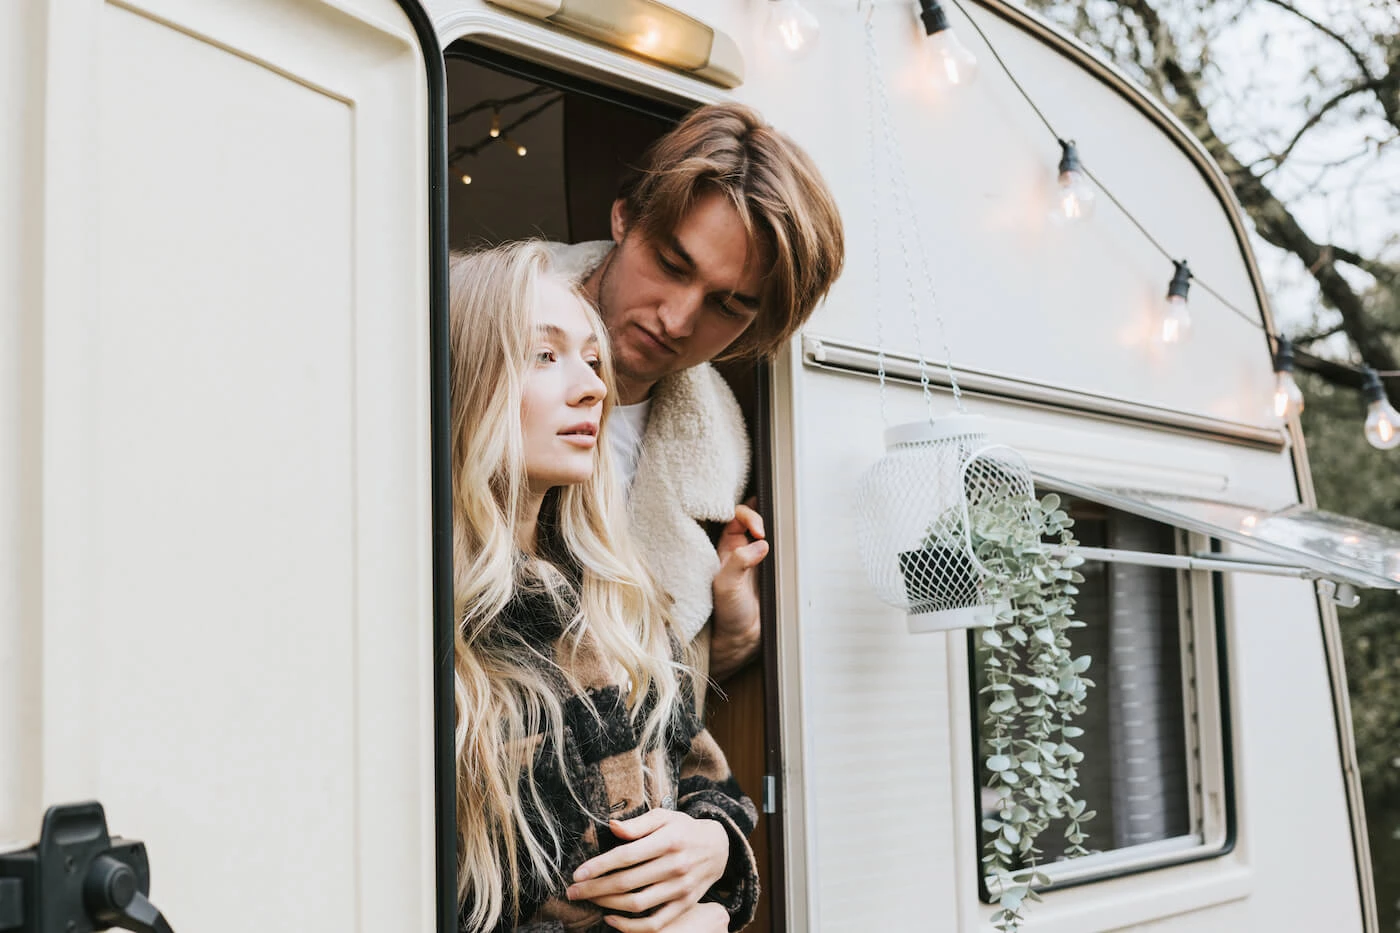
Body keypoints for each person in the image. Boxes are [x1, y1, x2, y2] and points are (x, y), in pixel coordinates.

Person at [450, 242, 759, 933]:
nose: (594, 386)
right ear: (468, 374)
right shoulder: (429, 624)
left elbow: (716, 784)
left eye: (593, 359)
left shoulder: (618, 598)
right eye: (544, 354)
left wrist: (713, 849)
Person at [549, 102, 845, 690]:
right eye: (671, 264)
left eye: (728, 305)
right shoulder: (470, 328)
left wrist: (735, 635)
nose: (678, 320)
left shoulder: (723, 458)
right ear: (624, 217)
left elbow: (660, 699)